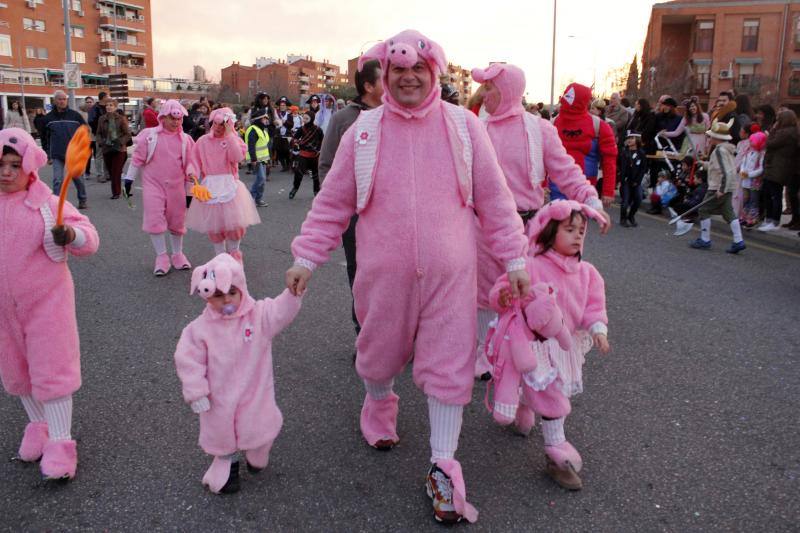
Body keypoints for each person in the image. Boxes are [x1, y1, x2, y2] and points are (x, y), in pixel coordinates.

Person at [285, 29, 529, 524]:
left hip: (451, 278)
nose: (409, 77)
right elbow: (331, 204)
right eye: (399, 70)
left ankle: (444, 463)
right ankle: (378, 403)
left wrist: (516, 261)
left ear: (433, 72)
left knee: (449, 366)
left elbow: (497, 201)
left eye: (418, 68)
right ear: (386, 75)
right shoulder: (364, 132)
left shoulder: (464, 127)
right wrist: (306, 258)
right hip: (382, 277)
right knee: (377, 355)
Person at [470, 63, 610, 380]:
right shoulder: (478, 128)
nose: (484, 94)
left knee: (527, 293)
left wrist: (591, 200)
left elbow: (566, 171)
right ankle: (486, 351)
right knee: (485, 294)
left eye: (489, 87)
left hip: (528, 227)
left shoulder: (538, 129)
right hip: (483, 227)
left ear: (506, 90)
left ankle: (523, 351)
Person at [488, 200, 609, 491]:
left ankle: (523, 406)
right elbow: (501, 288)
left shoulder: (588, 273)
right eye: (570, 229)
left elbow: (594, 305)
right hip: (533, 345)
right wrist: (503, 298)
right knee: (552, 394)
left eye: (582, 230)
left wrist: (598, 329)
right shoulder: (531, 265)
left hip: (566, 345)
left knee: (541, 387)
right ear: (547, 231)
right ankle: (556, 450)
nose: (578, 235)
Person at [0, 128, 99, 481]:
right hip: (3, 313)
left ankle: (60, 442)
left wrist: (71, 235)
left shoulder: (46, 203)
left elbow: (89, 238)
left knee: (51, 372)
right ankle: (38, 426)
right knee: (17, 372)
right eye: (1, 165)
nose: (6, 173)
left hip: (47, 305)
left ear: (29, 167)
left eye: (14, 165)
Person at [174, 253, 302, 494]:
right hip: (218, 395)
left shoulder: (259, 315)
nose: (226, 301)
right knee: (221, 433)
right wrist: (196, 391)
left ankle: (257, 449)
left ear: (241, 289)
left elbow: (279, 311)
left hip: (255, 390)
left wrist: (292, 293)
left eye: (232, 293)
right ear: (206, 296)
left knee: (259, 427)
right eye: (218, 296)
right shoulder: (199, 329)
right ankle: (226, 463)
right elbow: (188, 359)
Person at [318, 59, 383, 336]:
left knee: (394, 276)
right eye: (385, 77)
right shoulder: (344, 119)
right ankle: (365, 334)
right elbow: (326, 164)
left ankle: (397, 336)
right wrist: (337, 209)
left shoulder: (400, 115)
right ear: (368, 85)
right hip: (356, 213)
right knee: (360, 275)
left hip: (393, 213)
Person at [124, 99, 196, 275]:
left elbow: (190, 164)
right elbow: (137, 159)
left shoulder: (186, 140)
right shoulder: (150, 136)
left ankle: (177, 254)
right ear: (163, 117)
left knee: (177, 220)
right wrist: (129, 180)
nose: (175, 122)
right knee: (155, 218)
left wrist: (190, 186)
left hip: (177, 186)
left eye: (178, 119)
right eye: (172, 118)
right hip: (153, 185)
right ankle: (162, 256)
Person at [186, 107, 260, 262]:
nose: (219, 128)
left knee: (234, 225)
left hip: (230, 186)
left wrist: (230, 136)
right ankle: (220, 258)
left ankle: (235, 255)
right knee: (215, 226)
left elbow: (237, 157)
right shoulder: (203, 141)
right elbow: (194, 160)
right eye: (216, 124)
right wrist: (192, 174)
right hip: (210, 187)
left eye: (223, 124)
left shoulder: (234, 140)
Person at [552, 83, 617, 203]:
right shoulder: (552, 123)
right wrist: (542, 185)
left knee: (578, 220)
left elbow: (609, 159)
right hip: (557, 186)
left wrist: (608, 190)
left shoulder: (599, 126)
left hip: (584, 188)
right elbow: (541, 156)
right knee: (559, 219)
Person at [690, 119, 745, 253]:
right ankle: (738, 241)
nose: (709, 138)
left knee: (703, 210)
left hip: (718, 186)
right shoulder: (726, 149)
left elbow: (726, 171)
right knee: (729, 213)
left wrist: (721, 189)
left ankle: (705, 239)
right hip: (728, 185)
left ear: (716, 137)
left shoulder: (719, 151)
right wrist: (704, 164)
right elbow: (719, 167)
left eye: (711, 136)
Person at [40, 90, 88, 209]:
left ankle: (82, 200)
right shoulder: (48, 118)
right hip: (57, 154)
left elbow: (85, 131)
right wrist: (47, 155)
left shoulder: (75, 115)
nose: (62, 101)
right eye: (59, 99)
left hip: (74, 154)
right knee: (57, 180)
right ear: (54, 101)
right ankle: (56, 204)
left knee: (78, 179)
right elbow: (44, 139)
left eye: (64, 99)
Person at [759, 110, 800, 231]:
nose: (776, 121)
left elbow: (770, 143)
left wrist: (772, 131)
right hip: (777, 165)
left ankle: (774, 220)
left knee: (774, 194)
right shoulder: (790, 131)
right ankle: (771, 219)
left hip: (778, 165)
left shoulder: (785, 132)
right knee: (770, 193)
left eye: (778, 119)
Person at [95, 98, 132, 199]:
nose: (108, 107)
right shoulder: (101, 119)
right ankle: (117, 187)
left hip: (119, 149)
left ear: (115, 107)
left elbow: (127, 134)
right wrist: (101, 142)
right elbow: (98, 133)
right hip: (107, 148)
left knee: (116, 171)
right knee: (111, 172)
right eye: (107, 105)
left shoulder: (121, 119)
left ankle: (116, 192)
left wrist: (120, 142)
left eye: (111, 105)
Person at [289, 111, 323, 199]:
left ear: (311, 119)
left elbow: (322, 141)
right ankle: (295, 188)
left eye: (306, 118)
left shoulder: (318, 129)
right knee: (298, 173)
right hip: (303, 154)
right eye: (304, 118)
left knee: (316, 176)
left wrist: (319, 149)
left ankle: (316, 191)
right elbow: (294, 138)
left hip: (315, 155)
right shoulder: (301, 129)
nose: (304, 120)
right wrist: (296, 143)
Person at [619, 132, 647, 227]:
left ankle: (631, 216)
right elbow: (621, 167)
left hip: (636, 182)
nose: (629, 140)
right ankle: (623, 219)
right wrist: (622, 180)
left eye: (632, 138)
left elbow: (643, 168)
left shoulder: (641, 153)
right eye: (628, 138)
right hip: (626, 181)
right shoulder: (624, 152)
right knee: (625, 201)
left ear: (637, 140)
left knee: (638, 199)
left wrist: (637, 181)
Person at [739, 131, 766, 228]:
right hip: (745, 179)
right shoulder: (748, 151)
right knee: (746, 198)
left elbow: (761, 169)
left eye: (753, 142)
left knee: (754, 200)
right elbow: (743, 162)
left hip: (755, 181)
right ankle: (744, 216)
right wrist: (742, 171)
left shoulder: (761, 154)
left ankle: (753, 218)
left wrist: (749, 174)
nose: (751, 143)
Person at [245, 107, 271, 208]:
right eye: (265, 118)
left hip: (263, 159)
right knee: (261, 179)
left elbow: (264, 146)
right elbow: (251, 146)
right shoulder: (253, 130)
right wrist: (254, 159)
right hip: (256, 159)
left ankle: (258, 199)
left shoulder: (263, 130)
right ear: (260, 119)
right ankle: (250, 198)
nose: (266, 120)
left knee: (262, 181)